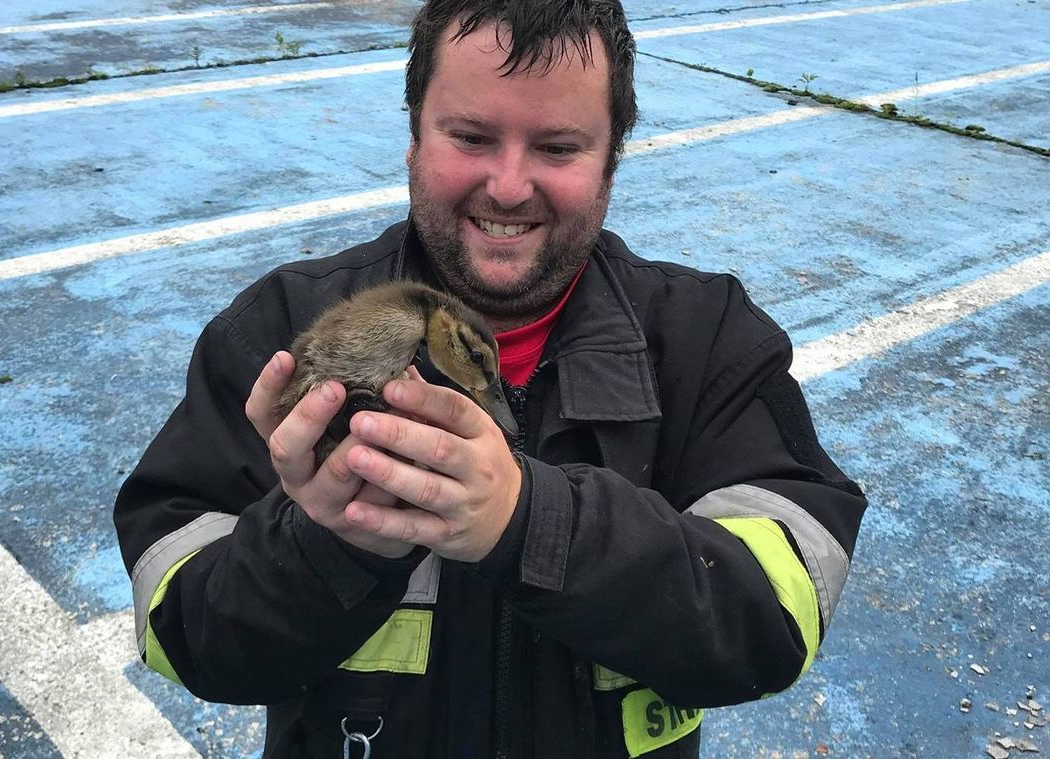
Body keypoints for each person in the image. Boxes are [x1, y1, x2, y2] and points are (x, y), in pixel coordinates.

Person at [113, 0, 867, 756]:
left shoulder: (708, 340)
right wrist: (326, 544)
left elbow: (778, 618)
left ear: (613, 159)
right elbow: (181, 633)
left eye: (558, 147)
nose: (508, 188)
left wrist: (527, 520)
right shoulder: (278, 329)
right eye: (471, 137)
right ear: (412, 138)